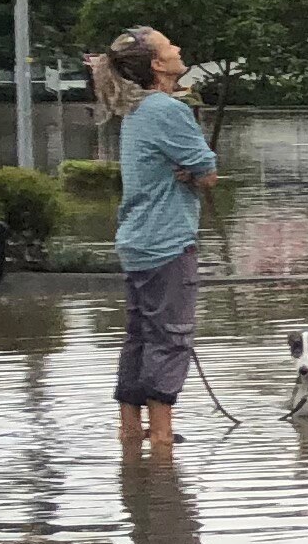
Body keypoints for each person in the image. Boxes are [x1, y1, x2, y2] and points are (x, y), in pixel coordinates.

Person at [92, 26, 217, 459]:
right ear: (157, 66)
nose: (179, 47)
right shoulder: (166, 108)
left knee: (140, 335)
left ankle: (130, 432)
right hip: (167, 241)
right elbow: (207, 171)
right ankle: (162, 441)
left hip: (136, 240)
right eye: (170, 46)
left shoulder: (138, 109)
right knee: (170, 337)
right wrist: (194, 173)